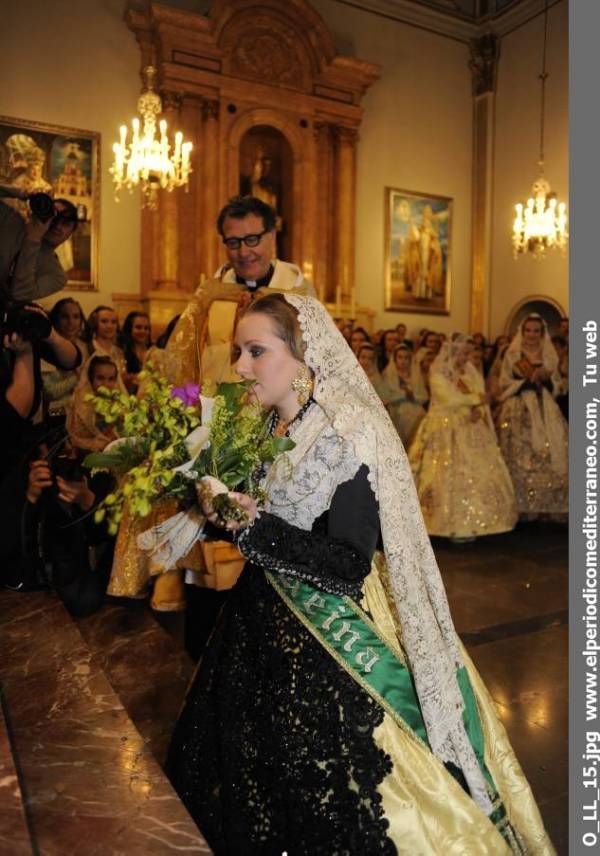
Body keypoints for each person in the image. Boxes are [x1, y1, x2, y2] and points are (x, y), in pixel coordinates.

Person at [166, 293, 553, 855]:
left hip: (331, 636)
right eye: (237, 352)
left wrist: (254, 528)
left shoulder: (349, 434)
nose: (241, 367)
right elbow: (252, 513)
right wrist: (214, 509)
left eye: (256, 351)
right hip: (257, 628)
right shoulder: (260, 424)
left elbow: (348, 564)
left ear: (302, 355)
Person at [163, 195, 313, 388]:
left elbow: (314, 365)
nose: (243, 252)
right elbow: (182, 362)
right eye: (233, 242)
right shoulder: (209, 295)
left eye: (252, 239)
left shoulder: (298, 294)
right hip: (216, 411)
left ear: (272, 236)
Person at [409, 336, 517, 541]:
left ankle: (474, 522)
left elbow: (480, 392)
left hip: (470, 424)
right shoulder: (438, 371)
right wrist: (475, 400)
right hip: (444, 426)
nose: (467, 357)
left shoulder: (469, 370)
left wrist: (479, 409)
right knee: (442, 473)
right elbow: (448, 398)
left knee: (474, 470)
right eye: (463, 353)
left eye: (468, 353)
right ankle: (442, 522)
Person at [496, 314, 568, 519]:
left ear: (542, 333)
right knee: (522, 452)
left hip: (545, 406)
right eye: (528, 330)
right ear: (523, 331)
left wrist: (546, 381)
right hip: (519, 407)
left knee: (549, 450)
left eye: (536, 331)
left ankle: (545, 506)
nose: (532, 335)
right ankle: (522, 507)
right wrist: (523, 384)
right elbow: (504, 382)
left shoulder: (549, 354)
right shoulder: (513, 353)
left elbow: (559, 385)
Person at [0, 192, 78, 301]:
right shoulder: (13, 220)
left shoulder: (56, 276)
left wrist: (33, 239)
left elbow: (20, 294)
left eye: (66, 223)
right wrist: (22, 193)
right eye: (54, 217)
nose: (57, 225)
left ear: (71, 233)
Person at [41, 297, 89, 417]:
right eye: (65, 317)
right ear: (56, 318)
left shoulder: (83, 346)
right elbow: (49, 393)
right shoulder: (46, 348)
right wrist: (77, 377)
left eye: (76, 317)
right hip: (54, 415)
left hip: (81, 412)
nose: (71, 322)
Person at [67, 355, 120, 455]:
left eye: (111, 379)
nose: (106, 384)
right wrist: (100, 444)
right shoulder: (82, 403)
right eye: (100, 378)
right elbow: (75, 438)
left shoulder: (116, 399)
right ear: (91, 378)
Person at [379, 343, 427, 447]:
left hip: (416, 412)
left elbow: (424, 397)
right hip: (396, 412)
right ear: (395, 359)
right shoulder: (387, 375)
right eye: (400, 357)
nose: (403, 361)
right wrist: (404, 395)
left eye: (406, 358)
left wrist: (413, 396)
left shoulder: (416, 375)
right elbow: (385, 398)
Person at [120, 310, 152, 393]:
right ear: (129, 328)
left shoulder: (152, 350)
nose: (143, 331)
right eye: (138, 327)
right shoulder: (122, 350)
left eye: (146, 328)